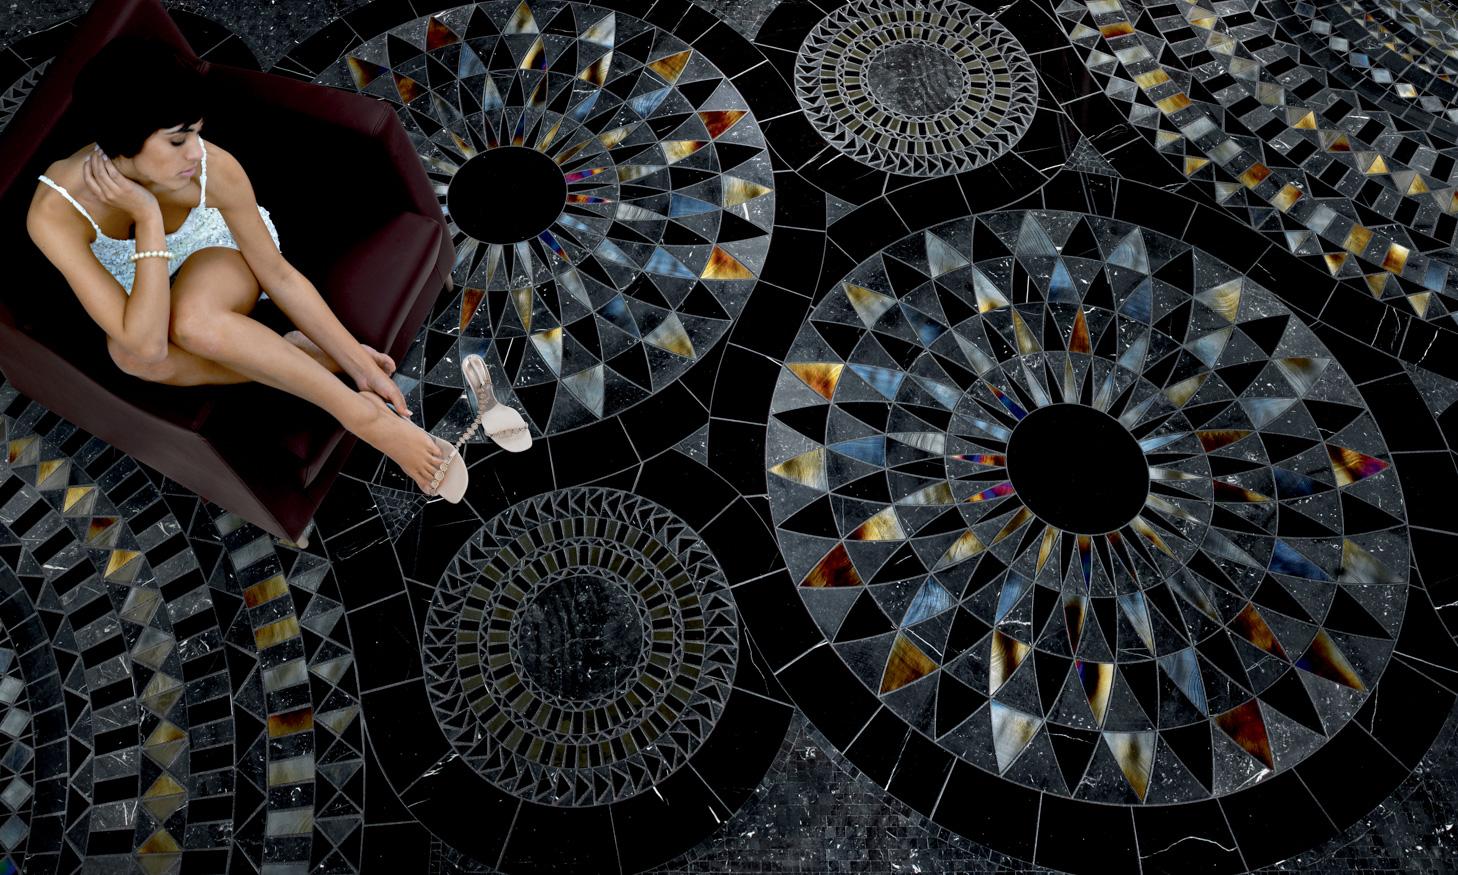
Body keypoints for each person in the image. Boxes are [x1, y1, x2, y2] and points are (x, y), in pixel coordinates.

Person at [25, 36, 466, 499]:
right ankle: (293, 355)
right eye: (177, 140)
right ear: (122, 140)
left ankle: (363, 416)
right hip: (145, 292)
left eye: (197, 132)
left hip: (218, 255)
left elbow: (279, 275)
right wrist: (147, 217)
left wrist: (361, 369)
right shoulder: (55, 213)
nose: (196, 152)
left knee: (193, 322)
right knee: (131, 357)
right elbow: (146, 346)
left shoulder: (213, 168)